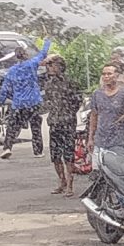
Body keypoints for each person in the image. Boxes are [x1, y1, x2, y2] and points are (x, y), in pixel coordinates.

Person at [40, 52, 81, 197]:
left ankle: (70, 185)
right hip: (55, 123)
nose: (49, 68)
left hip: (67, 122)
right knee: (55, 155)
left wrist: (68, 112)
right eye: (49, 65)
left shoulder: (70, 82)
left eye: (52, 65)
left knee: (68, 156)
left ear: (60, 66)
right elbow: (46, 101)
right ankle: (62, 182)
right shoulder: (49, 83)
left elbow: (77, 100)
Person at [88, 64, 124, 161]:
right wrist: (90, 138)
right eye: (104, 74)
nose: (106, 76)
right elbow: (94, 116)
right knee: (97, 170)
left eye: (109, 74)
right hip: (100, 139)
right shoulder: (97, 94)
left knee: (116, 169)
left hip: (119, 140)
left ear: (117, 76)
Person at [0, 46, 45, 159]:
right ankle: (38, 151)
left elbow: (5, 87)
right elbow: (42, 54)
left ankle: (7, 148)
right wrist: (47, 41)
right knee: (35, 127)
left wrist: (1, 101)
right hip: (33, 102)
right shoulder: (32, 64)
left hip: (18, 103)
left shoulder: (12, 70)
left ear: (16, 57)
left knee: (12, 127)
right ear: (26, 54)